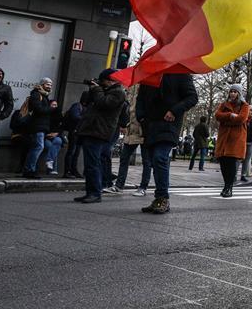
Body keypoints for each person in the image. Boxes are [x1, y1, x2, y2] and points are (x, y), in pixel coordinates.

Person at [137, 73, 198, 214]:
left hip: (169, 123)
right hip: (151, 124)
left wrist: (174, 110)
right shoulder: (149, 75)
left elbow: (192, 97)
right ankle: (159, 198)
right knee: (154, 160)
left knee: (160, 157)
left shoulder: (180, 74)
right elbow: (140, 98)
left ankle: (163, 198)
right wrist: (141, 117)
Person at [73, 70, 126, 203]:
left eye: (103, 81)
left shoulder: (118, 92)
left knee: (93, 163)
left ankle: (95, 193)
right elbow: (89, 102)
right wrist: (94, 89)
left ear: (108, 80)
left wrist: (97, 90)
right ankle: (90, 192)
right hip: (92, 129)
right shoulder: (105, 90)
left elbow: (104, 103)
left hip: (99, 130)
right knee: (90, 163)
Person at [215, 84, 250, 197]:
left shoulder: (244, 106)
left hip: (236, 139)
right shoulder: (224, 104)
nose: (233, 94)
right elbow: (217, 115)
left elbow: (241, 119)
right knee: (223, 163)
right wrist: (230, 115)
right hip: (224, 138)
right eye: (231, 91)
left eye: (235, 92)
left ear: (239, 94)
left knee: (231, 164)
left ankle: (228, 187)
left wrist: (225, 120)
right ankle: (226, 185)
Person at [23, 78, 61, 179]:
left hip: (40, 127)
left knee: (37, 147)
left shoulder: (44, 96)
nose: (49, 86)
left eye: (51, 85)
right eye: (47, 84)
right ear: (42, 85)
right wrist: (51, 109)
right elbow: (39, 109)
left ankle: (29, 169)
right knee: (38, 147)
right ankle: (29, 170)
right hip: (37, 126)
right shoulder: (36, 94)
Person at [114, 116, 145, 192]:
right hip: (131, 130)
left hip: (144, 131)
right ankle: (119, 185)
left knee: (146, 160)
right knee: (124, 157)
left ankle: (143, 187)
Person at [61, 93, 87, 179]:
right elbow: (75, 116)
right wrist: (86, 118)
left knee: (76, 153)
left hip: (80, 133)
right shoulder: (76, 106)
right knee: (71, 152)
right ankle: (67, 171)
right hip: (74, 132)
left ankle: (74, 170)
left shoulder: (86, 107)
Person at [0, 67, 15, 163]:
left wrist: (1, 116)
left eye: (1, 74)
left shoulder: (6, 88)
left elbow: (9, 105)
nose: (0, 75)